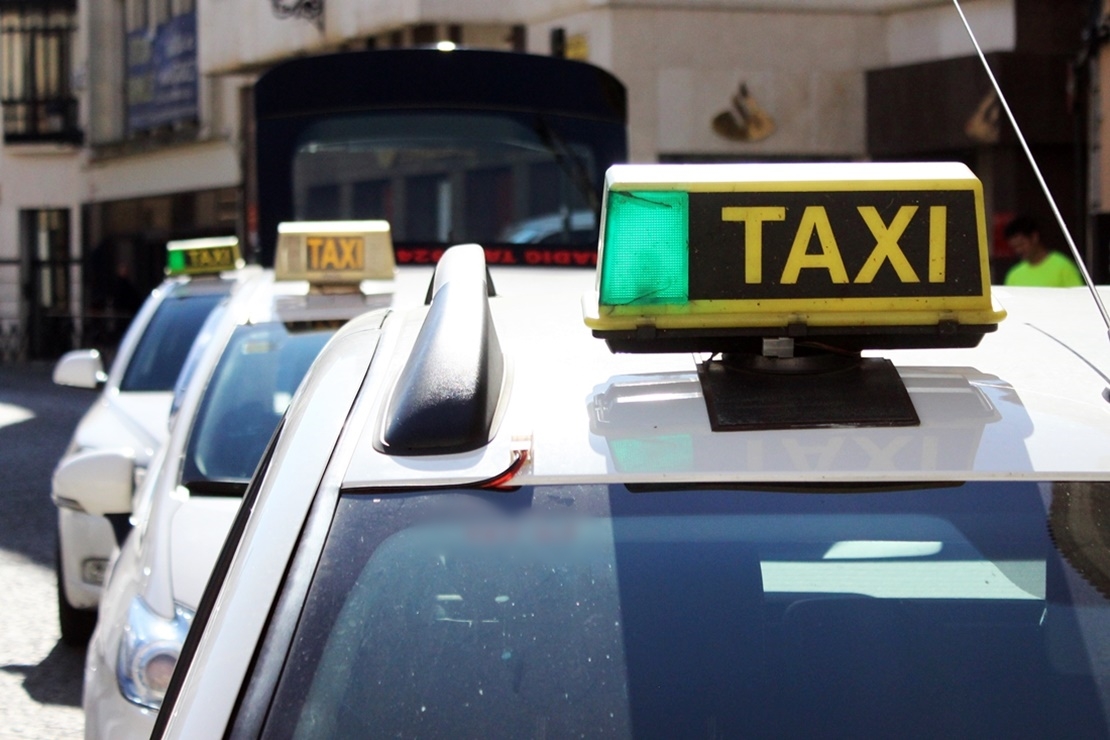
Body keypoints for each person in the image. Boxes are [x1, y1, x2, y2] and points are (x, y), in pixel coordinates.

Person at [1003, 216, 1084, 287]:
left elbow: (1078, 298)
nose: (1019, 250)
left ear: (1034, 237)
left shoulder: (1062, 267)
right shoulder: (1014, 275)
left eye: (1022, 244)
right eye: (1015, 247)